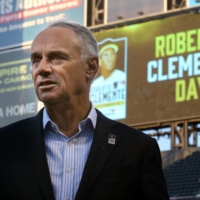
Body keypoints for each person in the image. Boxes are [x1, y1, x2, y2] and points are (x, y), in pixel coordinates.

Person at [0, 20, 169, 200]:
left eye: (56, 57)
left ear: (91, 67)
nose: (42, 69)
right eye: (35, 60)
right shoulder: (4, 145)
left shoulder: (137, 149)